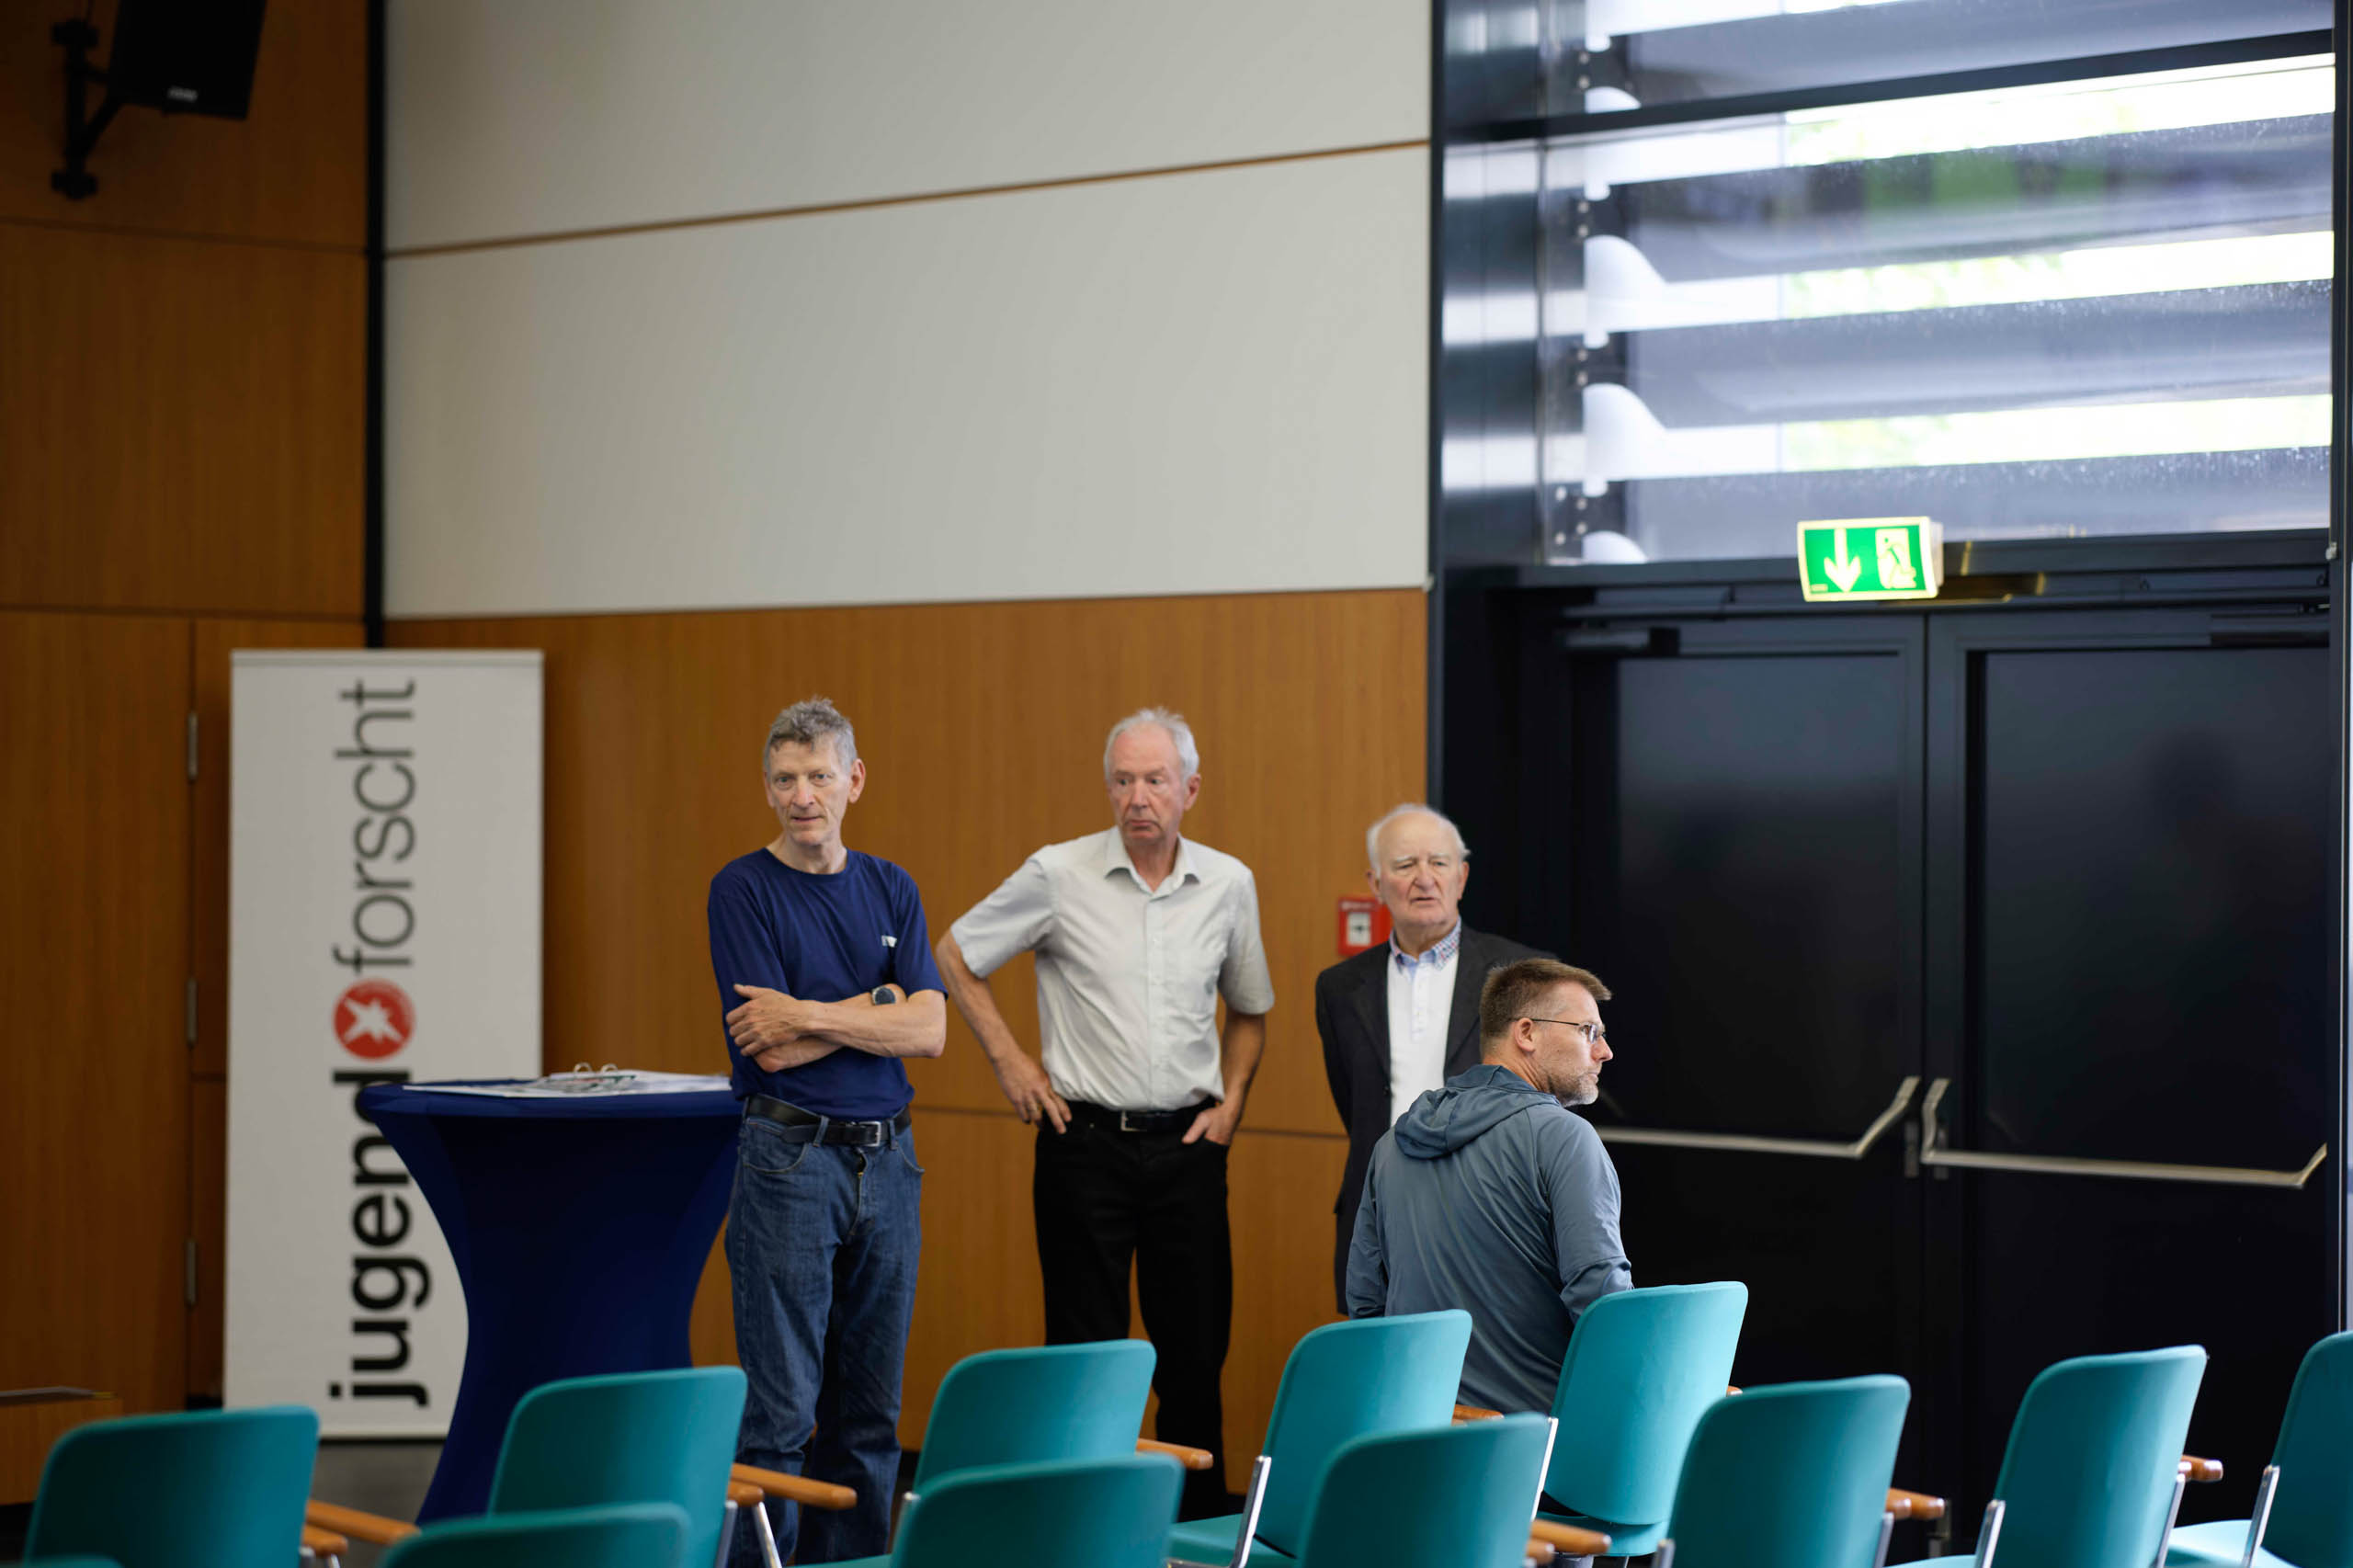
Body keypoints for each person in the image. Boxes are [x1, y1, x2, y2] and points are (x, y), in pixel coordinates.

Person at [935, 707, 1273, 1517]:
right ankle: (1080, 1533)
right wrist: (1011, 1061)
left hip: (1189, 1150)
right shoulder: (1058, 874)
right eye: (1122, 780)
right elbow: (955, 952)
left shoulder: (1229, 883)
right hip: (1082, 1146)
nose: (1136, 797)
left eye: (1154, 780)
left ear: (1190, 789)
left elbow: (1250, 1011)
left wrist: (1231, 1104)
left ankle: (1192, 1539)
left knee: (1194, 1363)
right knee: (1082, 1364)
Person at [707, 698, 947, 1563]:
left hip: (890, 1162)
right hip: (789, 1160)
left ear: (855, 780)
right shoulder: (742, 889)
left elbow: (931, 1030)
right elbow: (767, 1049)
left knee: (870, 1417)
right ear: (768, 789)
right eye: (785, 779)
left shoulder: (892, 886)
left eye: (818, 775)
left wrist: (811, 1012)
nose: (802, 795)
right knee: (780, 1417)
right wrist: (878, 1004)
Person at [1345, 957, 1632, 1416]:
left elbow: (1366, 1305)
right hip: (1537, 1442)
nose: (1605, 1051)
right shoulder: (1565, 1138)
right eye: (1588, 1031)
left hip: (1416, 1430)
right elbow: (1603, 1307)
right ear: (1527, 1033)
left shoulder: (1391, 1145)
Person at [1314, 803, 1546, 1310]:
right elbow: (1353, 1103)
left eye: (1439, 863)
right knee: (1382, 1352)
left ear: (1461, 877)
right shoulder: (1340, 988)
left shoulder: (1523, 976)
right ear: (1376, 883)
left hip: (1491, 1211)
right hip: (1380, 1212)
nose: (1424, 879)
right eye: (1404, 865)